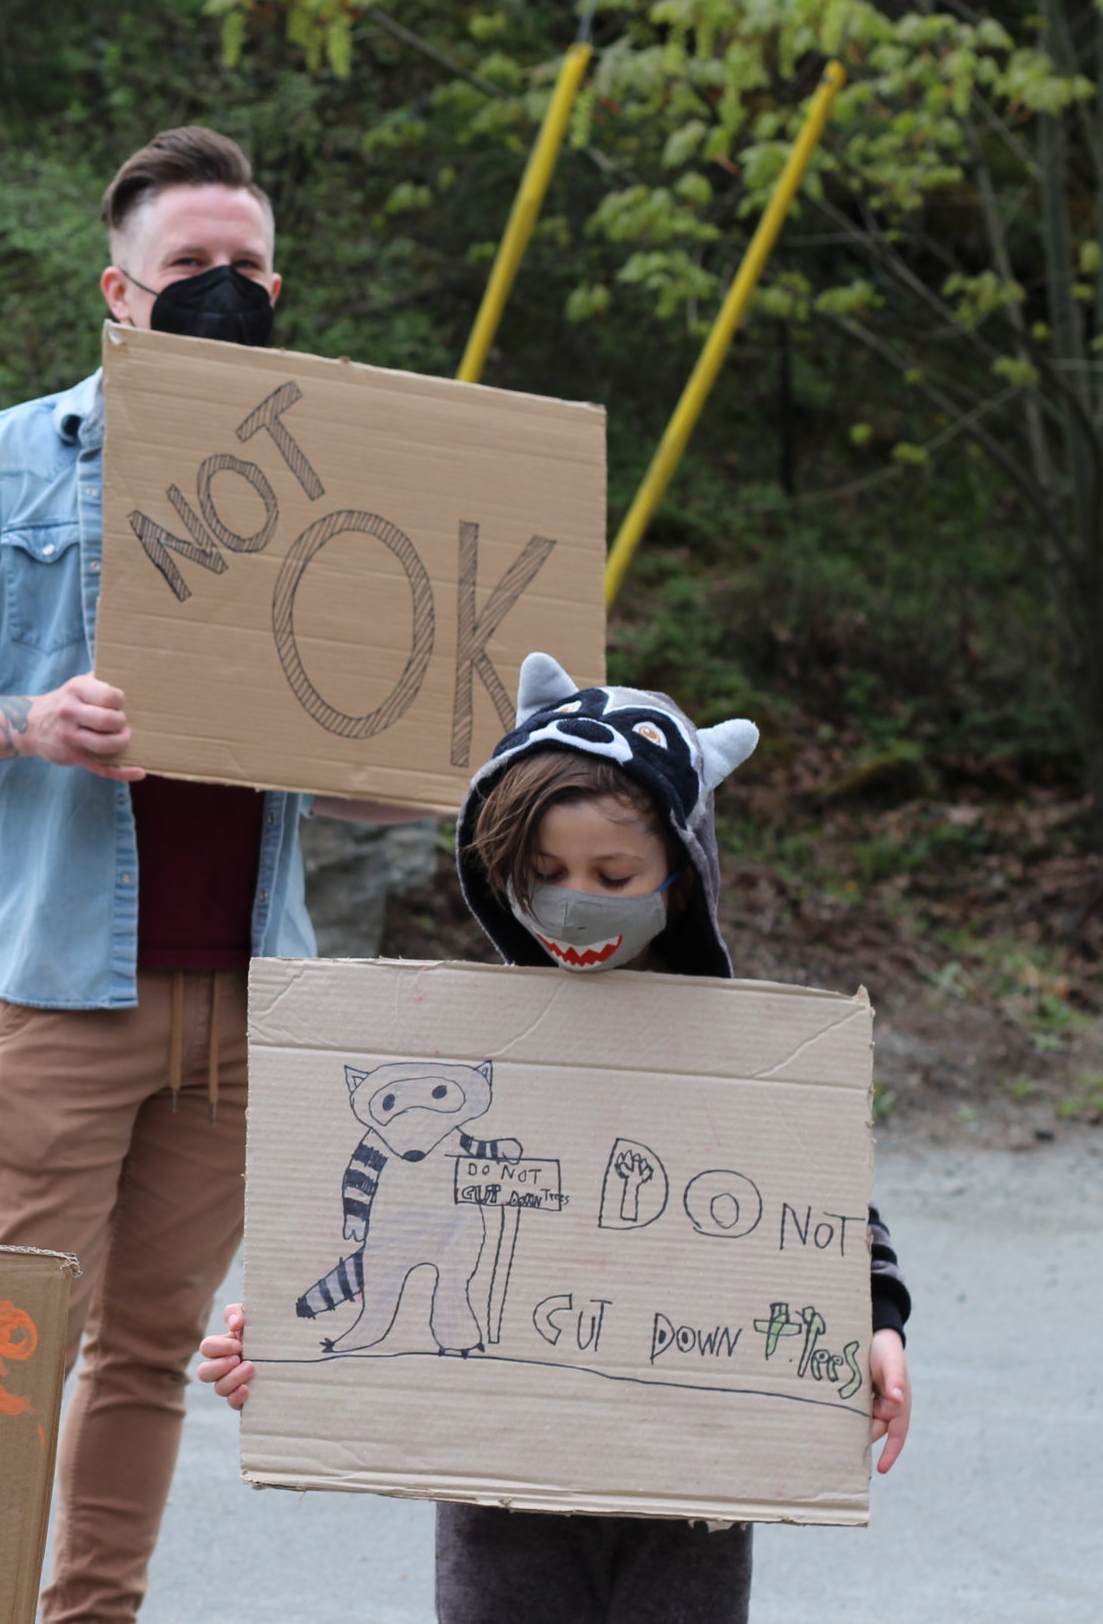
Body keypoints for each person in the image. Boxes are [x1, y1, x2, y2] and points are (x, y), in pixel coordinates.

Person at [0, 125, 421, 1622]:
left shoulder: (341, 485)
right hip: (50, 986)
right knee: (8, 1346)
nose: (223, 288)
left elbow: (371, 764)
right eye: (190, 267)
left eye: (246, 266)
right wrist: (27, 720)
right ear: (120, 290)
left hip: (244, 993)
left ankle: (90, 1612)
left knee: (151, 1351)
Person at [196, 652, 914, 1624]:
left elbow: (817, 1211)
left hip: (689, 1489)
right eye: (544, 875)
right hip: (502, 1492)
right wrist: (282, 1342)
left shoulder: (745, 1055)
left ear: (680, 872)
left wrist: (873, 1322)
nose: (575, 896)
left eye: (612, 874)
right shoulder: (447, 1043)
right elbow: (363, 1220)